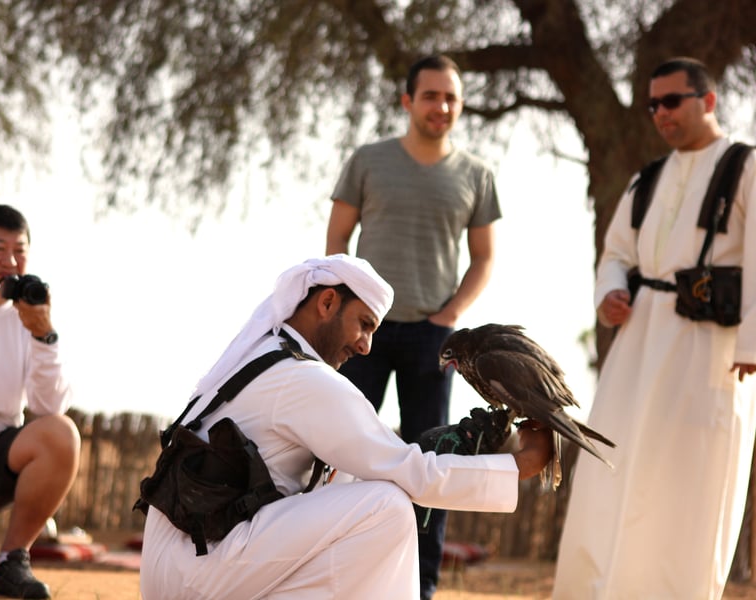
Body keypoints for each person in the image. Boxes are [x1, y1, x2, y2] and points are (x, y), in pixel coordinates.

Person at [139, 254, 553, 600]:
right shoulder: (302, 379)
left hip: (182, 565)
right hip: (195, 572)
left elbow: (363, 468)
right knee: (385, 506)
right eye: (365, 324)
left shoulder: (267, 354)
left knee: (352, 488)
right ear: (327, 303)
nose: (365, 346)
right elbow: (412, 474)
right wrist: (521, 465)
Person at [552, 57, 756, 599]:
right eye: (652, 105)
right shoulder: (647, 179)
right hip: (638, 341)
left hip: (712, 344)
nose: (660, 113)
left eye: (671, 101)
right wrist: (611, 293)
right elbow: (615, 252)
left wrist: (752, 339)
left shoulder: (746, 167)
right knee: (613, 469)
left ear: (707, 100)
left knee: (694, 477)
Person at [325, 53, 501, 599]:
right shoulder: (368, 160)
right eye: (430, 95)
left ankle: (419, 588)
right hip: (363, 334)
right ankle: (333, 576)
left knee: (434, 463)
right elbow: (335, 243)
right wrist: (346, 312)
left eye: (451, 97)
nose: (441, 106)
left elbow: (484, 259)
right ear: (407, 101)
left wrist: (449, 317)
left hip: (433, 336)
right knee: (337, 454)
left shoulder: (477, 175)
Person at [0, 204, 80, 599]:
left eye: (19, 251)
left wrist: (44, 337)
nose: (10, 261)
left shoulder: (28, 317)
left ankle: (11, 560)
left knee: (60, 434)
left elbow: (49, 409)